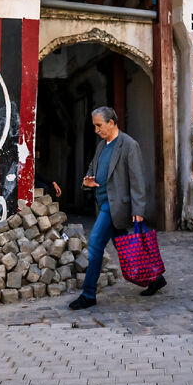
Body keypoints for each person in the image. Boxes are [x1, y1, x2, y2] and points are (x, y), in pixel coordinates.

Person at [69, 106, 165, 310]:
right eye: (94, 126)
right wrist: (87, 181)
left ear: (111, 122)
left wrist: (139, 210)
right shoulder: (101, 146)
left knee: (95, 245)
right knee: (127, 247)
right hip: (104, 204)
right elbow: (93, 168)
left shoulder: (129, 145)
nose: (96, 130)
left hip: (116, 207)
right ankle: (155, 278)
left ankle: (88, 295)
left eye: (98, 125)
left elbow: (138, 180)